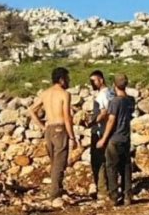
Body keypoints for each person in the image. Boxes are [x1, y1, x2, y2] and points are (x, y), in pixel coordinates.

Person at [28, 67, 79, 199]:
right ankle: (55, 193)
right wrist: (72, 136)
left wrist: (42, 126)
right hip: (60, 128)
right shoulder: (64, 94)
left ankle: (58, 189)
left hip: (49, 129)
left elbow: (31, 110)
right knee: (59, 163)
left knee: (54, 162)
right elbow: (67, 117)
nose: (69, 81)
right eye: (67, 78)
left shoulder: (45, 93)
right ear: (62, 80)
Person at [97, 74, 135, 205]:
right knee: (125, 166)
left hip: (114, 138)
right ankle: (127, 195)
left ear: (114, 84)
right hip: (126, 137)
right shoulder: (130, 100)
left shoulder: (115, 102)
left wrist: (103, 138)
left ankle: (114, 196)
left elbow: (111, 120)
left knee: (111, 167)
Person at [87, 70, 114, 199]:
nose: (92, 83)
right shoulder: (111, 93)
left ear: (101, 80)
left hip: (99, 131)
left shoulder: (101, 96)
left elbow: (103, 113)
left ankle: (102, 190)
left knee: (98, 160)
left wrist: (92, 122)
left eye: (94, 80)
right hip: (108, 130)